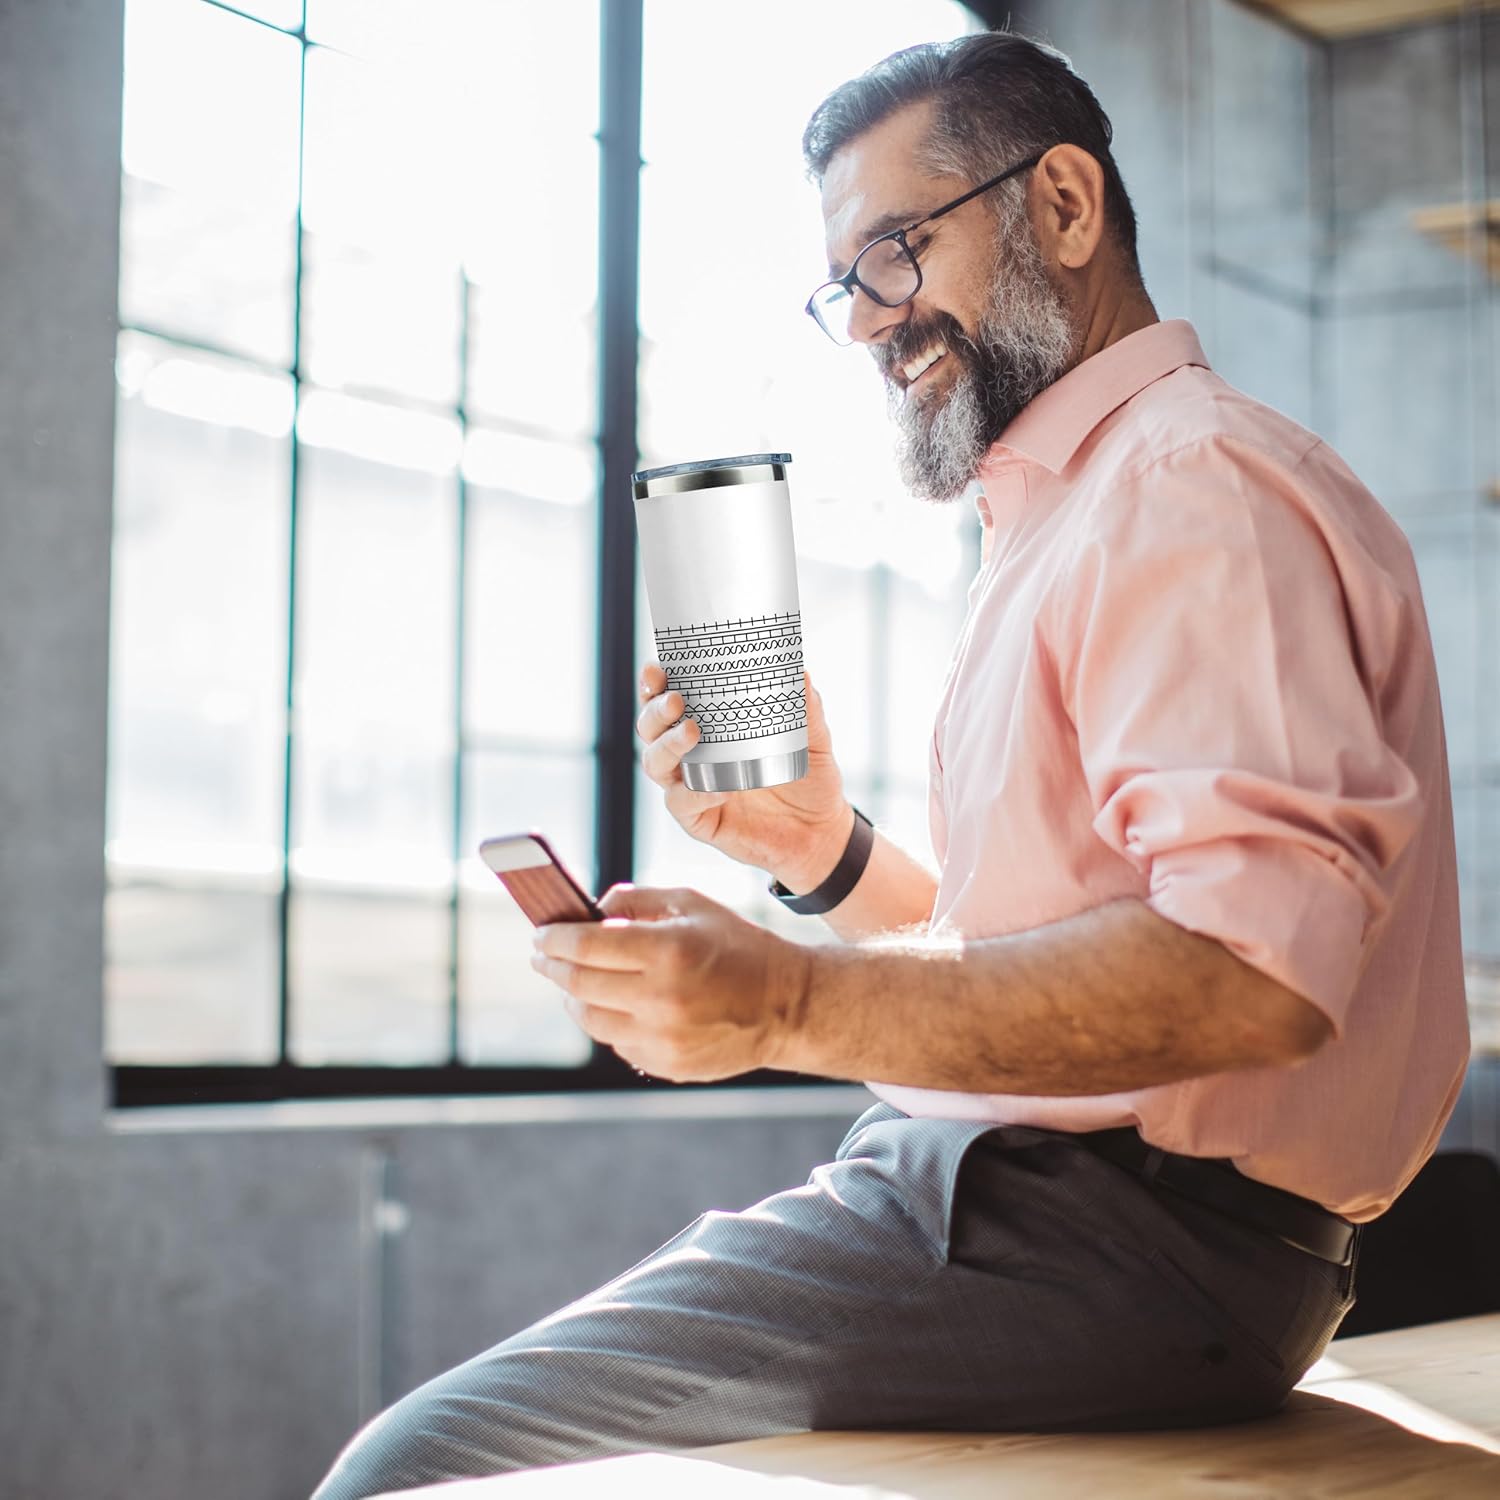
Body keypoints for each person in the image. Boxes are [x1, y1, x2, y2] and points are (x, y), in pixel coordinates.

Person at [311, 29, 1470, 1498]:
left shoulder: (1188, 485)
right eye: (841, 283)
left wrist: (783, 1002)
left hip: (1103, 1241)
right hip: (1078, 1227)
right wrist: (825, 855)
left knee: (414, 1466)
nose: (865, 321)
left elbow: (1248, 975)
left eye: (896, 254)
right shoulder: (1077, 513)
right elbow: (1054, 964)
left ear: (1062, 204)